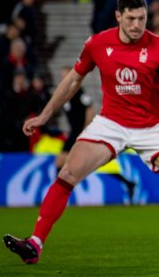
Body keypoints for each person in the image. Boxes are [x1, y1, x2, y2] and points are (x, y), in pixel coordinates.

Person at [4, 0, 159, 264]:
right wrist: (45, 115)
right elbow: (73, 81)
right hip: (111, 123)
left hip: (152, 127)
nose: (137, 25)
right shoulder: (97, 44)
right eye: (132, 18)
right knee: (68, 173)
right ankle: (35, 244)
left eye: (142, 19)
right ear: (119, 17)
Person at [52, 65, 138, 202]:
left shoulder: (79, 92)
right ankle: (128, 183)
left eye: (66, 75)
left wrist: (85, 130)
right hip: (74, 133)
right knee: (76, 164)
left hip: (78, 133)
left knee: (64, 163)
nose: (64, 77)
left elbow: (90, 110)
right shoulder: (66, 94)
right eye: (62, 75)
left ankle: (58, 196)